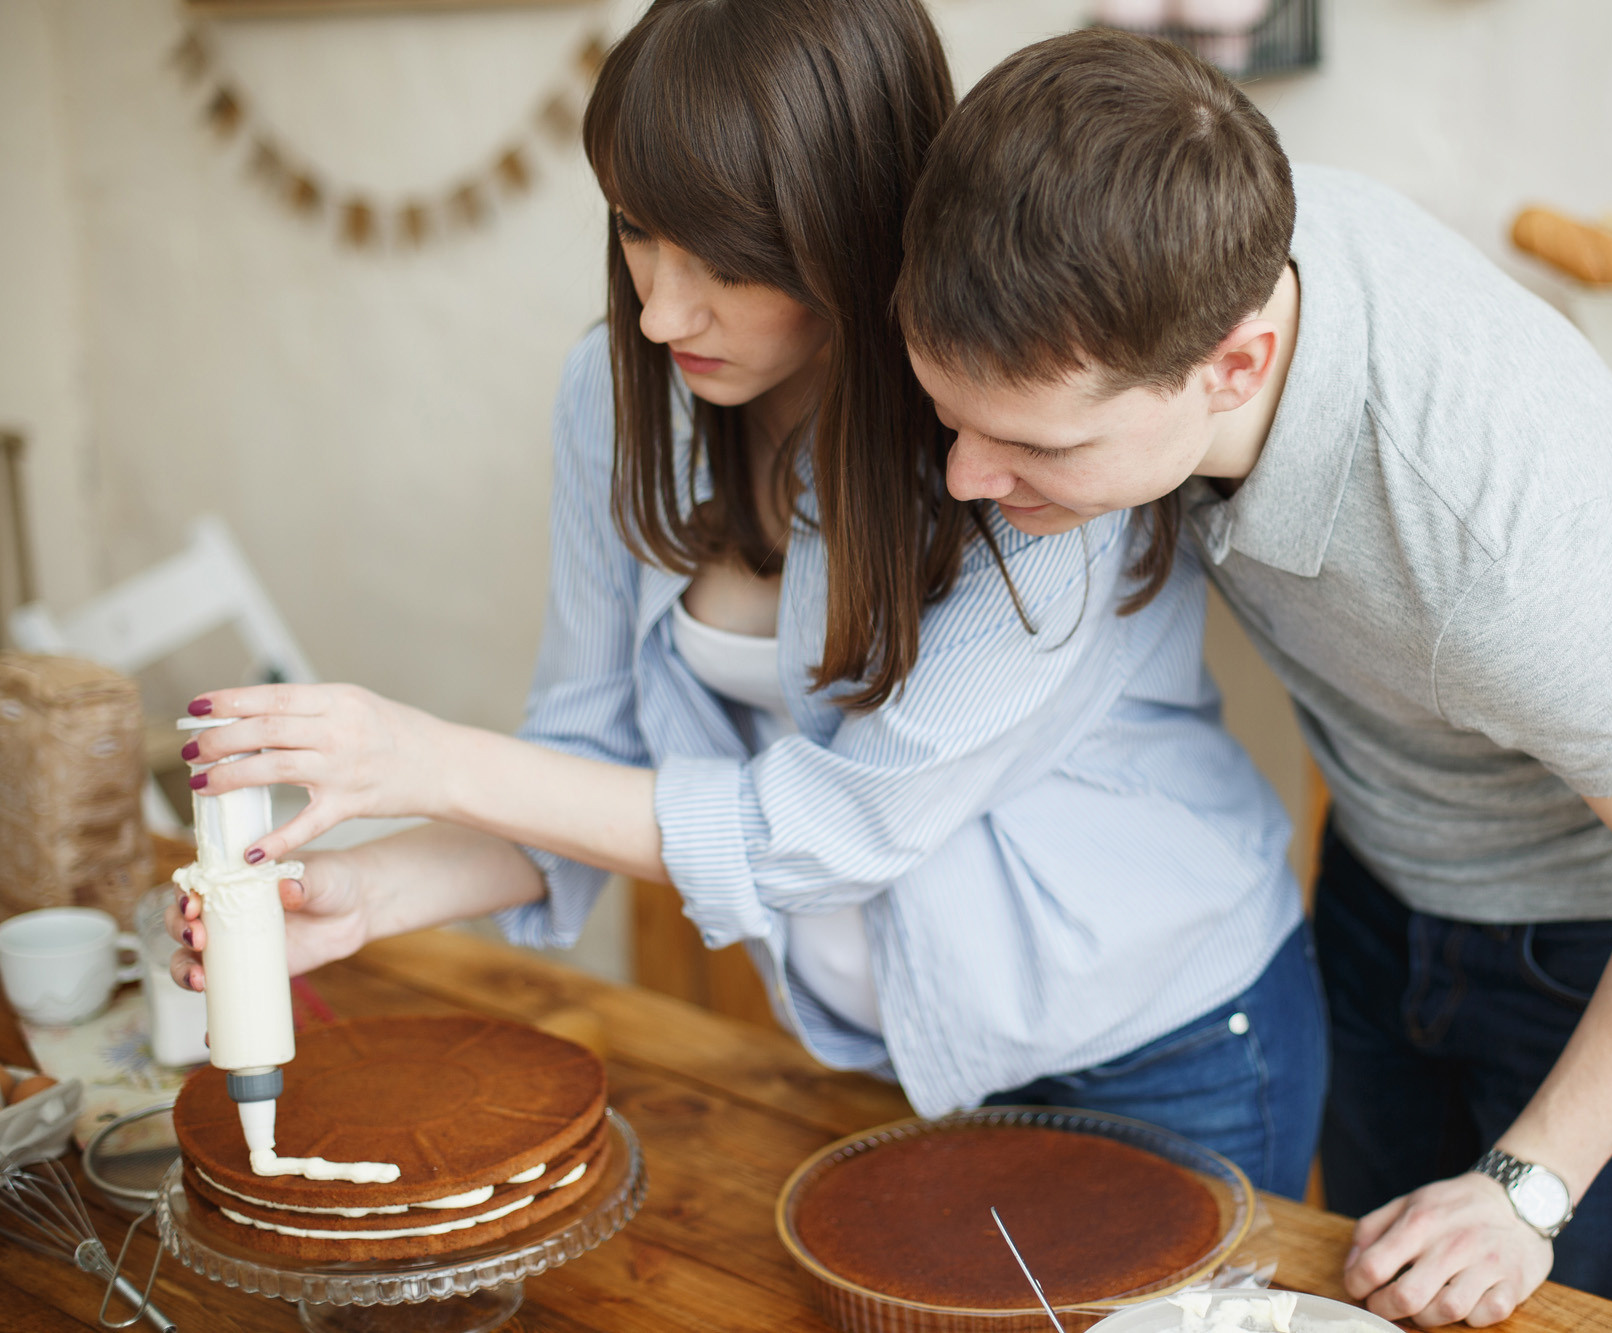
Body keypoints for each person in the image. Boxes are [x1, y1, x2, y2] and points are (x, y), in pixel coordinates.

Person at [167, 0, 1327, 1196]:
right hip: (899, 1053)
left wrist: (418, 755)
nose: (664, 309)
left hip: (1167, 1038)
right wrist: (364, 894)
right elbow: (583, 754)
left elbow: (831, 831)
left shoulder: (1035, 462)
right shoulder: (620, 397)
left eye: (727, 262)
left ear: (853, 227)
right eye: (635, 232)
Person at [892, 28, 1612, 1325]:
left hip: (1604, 948)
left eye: (1033, 441)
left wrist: (1526, 1189)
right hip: (1381, 877)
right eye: (953, 418)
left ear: (1235, 366)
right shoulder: (1180, 232)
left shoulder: (1506, 549)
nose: (964, 478)